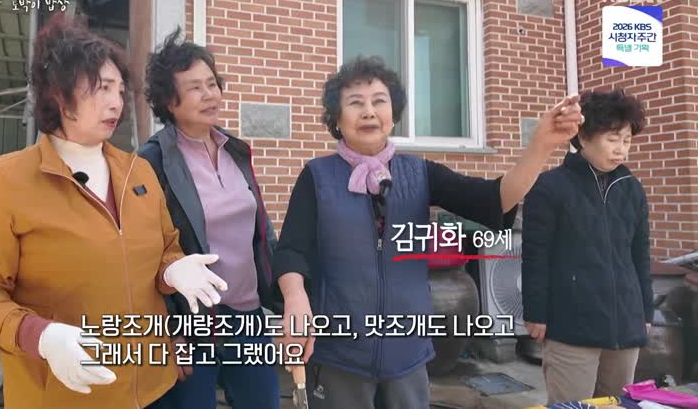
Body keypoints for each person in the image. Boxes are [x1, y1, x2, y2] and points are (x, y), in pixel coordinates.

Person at [272, 56, 585, 409]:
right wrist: (295, 298)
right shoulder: (317, 176)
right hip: (339, 353)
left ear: (393, 114)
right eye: (355, 103)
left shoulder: (420, 173)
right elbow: (291, 250)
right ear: (337, 119)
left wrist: (542, 144)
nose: (369, 111)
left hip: (407, 353)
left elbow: (496, 198)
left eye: (379, 101)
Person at [0, 15, 227, 409]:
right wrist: (40, 336)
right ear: (59, 96)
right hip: (63, 395)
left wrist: (172, 270)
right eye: (101, 89)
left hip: (153, 387)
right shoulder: (4, 181)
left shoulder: (138, 172)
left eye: (119, 90)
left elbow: (166, 247)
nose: (116, 103)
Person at [137, 26, 280, 409]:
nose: (210, 94)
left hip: (249, 315)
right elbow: (145, 255)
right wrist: (170, 331)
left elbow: (262, 233)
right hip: (192, 323)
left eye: (212, 84)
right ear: (169, 101)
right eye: (195, 87)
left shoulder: (236, 150)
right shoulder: (152, 161)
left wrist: (287, 300)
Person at [522, 89, 651, 404]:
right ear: (583, 137)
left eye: (627, 140)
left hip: (624, 328)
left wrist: (645, 311)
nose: (621, 149)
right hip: (571, 327)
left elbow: (640, 255)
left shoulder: (632, 189)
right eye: (613, 139)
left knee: (616, 403)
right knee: (572, 406)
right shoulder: (549, 187)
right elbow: (535, 256)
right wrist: (535, 312)